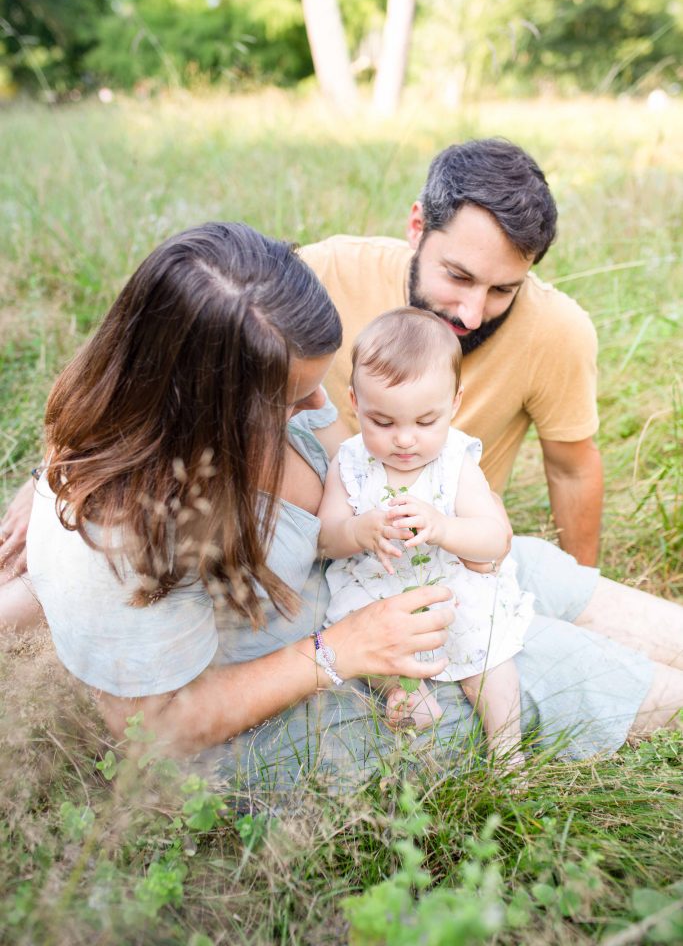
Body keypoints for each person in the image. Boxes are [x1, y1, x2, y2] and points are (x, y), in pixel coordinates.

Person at [0, 221, 681, 790]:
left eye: (321, 381)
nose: (322, 407)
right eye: (290, 400)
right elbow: (153, 729)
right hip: (293, 708)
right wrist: (342, 650)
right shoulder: (122, 530)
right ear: (202, 405)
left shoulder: (247, 389)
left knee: (529, 569)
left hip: (371, 584)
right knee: (556, 670)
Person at [299, 137, 683, 672]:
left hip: (470, 551)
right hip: (332, 574)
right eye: (458, 277)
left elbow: (571, 469)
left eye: (503, 290)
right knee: (613, 683)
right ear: (417, 226)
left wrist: (575, 582)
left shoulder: (556, 330)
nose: (472, 314)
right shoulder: (324, 274)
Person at [319, 309, 534, 769]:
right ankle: (400, 691)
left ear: (454, 403)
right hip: (379, 590)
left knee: (489, 657)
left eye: (424, 421)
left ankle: (507, 750)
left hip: (448, 590)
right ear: (354, 402)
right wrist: (357, 530)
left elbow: (493, 538)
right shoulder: (350, 463)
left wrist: (443, 527)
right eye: (382, 422)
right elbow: (324, 539)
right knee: (360, 638)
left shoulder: (454, 461)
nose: (404, 439)